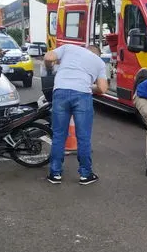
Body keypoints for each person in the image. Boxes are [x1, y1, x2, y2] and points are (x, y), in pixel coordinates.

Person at [43, 43, 108, 185]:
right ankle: (86, 174)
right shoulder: (100, 62)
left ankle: (55, 174)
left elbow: (48, 56)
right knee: (83, 137)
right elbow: (103, 88)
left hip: (60, 92)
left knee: (59, 135)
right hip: (83, 95)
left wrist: (49, 67)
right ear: (97, 54)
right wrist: (87, 85)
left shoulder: (69, 48)